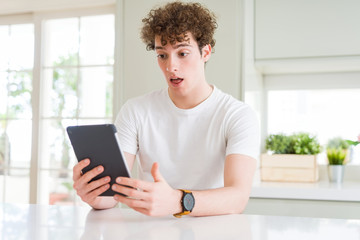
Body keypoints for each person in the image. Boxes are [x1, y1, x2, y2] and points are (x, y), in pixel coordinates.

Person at [73, 1, 260, 217]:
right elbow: (113, 193)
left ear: (206, 52)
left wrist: (179, 201)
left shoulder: (237, 115)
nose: (171, 67)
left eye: (182, 53)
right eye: (162, 55)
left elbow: (237, 198)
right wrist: (94, 195)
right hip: (149, 232)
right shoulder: (135, 111)